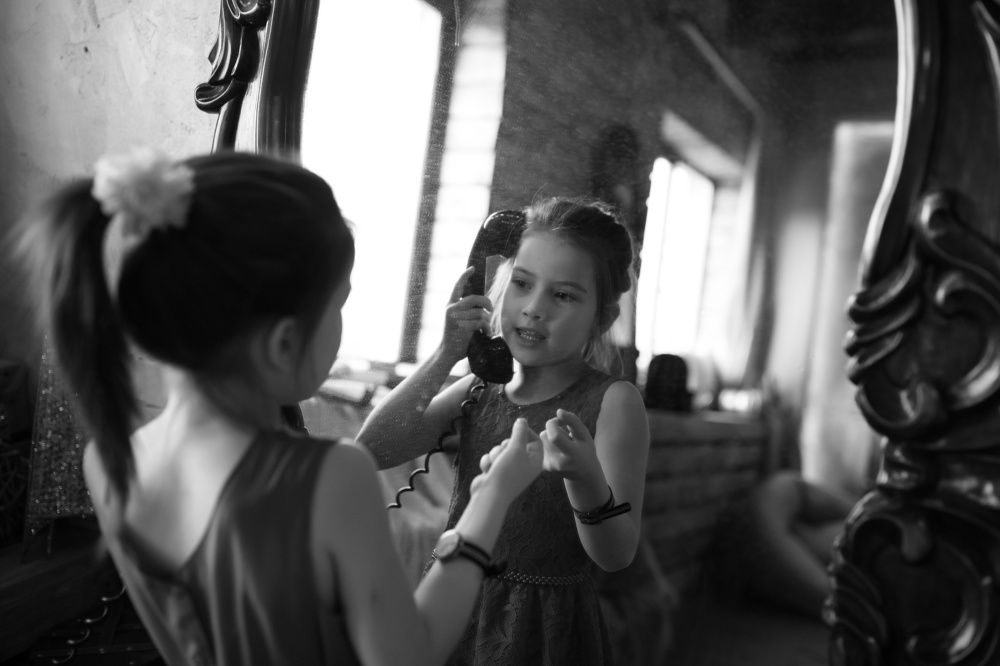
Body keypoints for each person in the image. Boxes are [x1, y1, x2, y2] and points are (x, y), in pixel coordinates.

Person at [14, 147, 544, 666]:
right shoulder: (332, 476)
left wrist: (449, 351)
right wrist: (490, 500)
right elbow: (411, 653)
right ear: (284, 341)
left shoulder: (110, 462)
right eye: (339, 303)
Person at [358, 197, 650, 664]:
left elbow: (616, 555)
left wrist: (586, 479)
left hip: (542, 628)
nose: (533, 309)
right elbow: (373, 448)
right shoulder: (481, 386)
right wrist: (445, 355)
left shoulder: (614, 402)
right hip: (454, 602)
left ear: (603, 318)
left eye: (563, 295)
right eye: (521, 283)